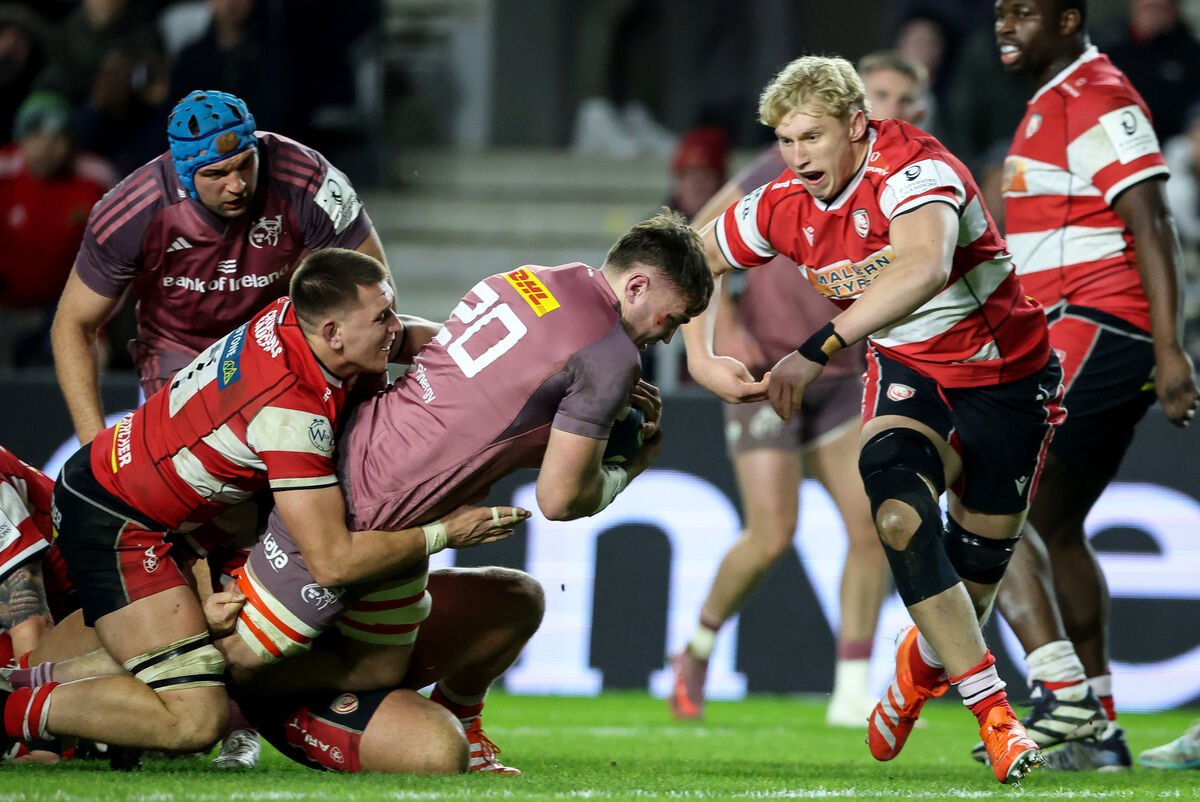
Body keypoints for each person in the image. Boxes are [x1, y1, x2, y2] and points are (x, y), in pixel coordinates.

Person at [209, 211, 712, 774]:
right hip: (362, 512)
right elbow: (560, 500)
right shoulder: (611, 355)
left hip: (370, 478)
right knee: (217, 671)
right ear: (638, 285)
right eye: (675, 318)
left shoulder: (530, 278)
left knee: (493, 613)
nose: (669, 334)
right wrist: (629, 468)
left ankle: (459, 726)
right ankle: (137, 710)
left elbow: (458, 358)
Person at [680, 54, 1062, 785]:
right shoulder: (783, 198)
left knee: (975, 581)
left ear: (857, 126)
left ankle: (917, 673)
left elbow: (920, 267)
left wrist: (815, 349)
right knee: (894, 516)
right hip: (911, 375)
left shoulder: (917, 169)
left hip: (1006, 379)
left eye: (812, 139)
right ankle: (997, 717)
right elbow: (694, 259)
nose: (796, 158)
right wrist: (700, 358)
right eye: (786, 142)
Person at [0, 249, 522, 762]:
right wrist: (446, 533)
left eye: (390, 310)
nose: (395, 329)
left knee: (269, 640)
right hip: (118, 521)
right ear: (333, 333)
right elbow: (332, 561)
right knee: (193, 718)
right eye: (380, 317)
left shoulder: (295, 318)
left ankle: (57, 681)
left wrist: (493, 362)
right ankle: (11, 710)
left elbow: (413, 334)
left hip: (177, 501)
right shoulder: (290, 411)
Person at [668, 51, 927, 729]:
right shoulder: (783, 170)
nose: (884, 108)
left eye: (896, 98)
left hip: (842, 377)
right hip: (764, 371)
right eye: (876, 93)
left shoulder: (913, 186)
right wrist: (712, 350)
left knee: (872, 528)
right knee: (772, 533)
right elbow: (700, 249)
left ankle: (848, 694)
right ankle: (696, 647)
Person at [990, 0, 1199, 772]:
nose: (1006, 25)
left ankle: (1065, 704)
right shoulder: (1051, 101)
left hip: (1099, 327)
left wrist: (1171, 349)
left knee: (988, 494)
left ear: (1072, 19)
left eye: (1026, 13)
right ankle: (1098, 725)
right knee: (1052, 525)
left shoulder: (1099, 94)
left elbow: (1152, 221)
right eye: (1000, 12)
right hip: (1075, 329)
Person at [50, 88, 387, 447]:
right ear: (183, 174)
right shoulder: (130, 211)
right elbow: (73, 323)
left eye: (246, 163)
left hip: (282, 344)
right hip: (178, 358)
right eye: (216, 174)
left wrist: (367, 415)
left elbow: (372, 294)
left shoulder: (310, 180)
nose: (237, 185)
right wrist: (93, 446)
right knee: (181, 485)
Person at [0, 91, 118, 367]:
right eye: (37, 136)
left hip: (69, 308)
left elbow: (120, 260)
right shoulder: (3, 173)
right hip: (6, 309)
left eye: (58, 138)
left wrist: (98, 325)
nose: (47, 147)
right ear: (21, 139)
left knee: (91, 365)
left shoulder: (96, 180)